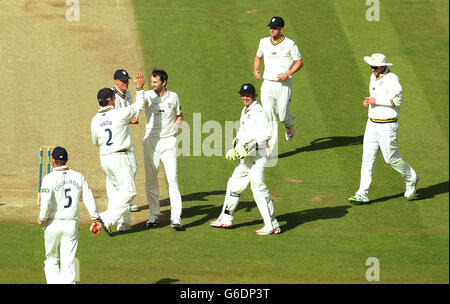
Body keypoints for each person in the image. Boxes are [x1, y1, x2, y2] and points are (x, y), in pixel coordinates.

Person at [210, 83, 281, 235]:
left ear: (254, 96)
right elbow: (242, 133)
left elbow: (266, 135)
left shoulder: (259, 112)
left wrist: (248, 148)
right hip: (245, 157)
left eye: (248, 95)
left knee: (258, 189)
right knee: (234, 184)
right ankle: (226, 219)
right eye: (243, 95)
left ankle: (271, 224)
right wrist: (233, 147)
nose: (245, 98)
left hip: (257, 156)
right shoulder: (245, 110)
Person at [348, 53, 419, 204]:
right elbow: (376, 96)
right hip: (372, 124)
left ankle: (411, 178)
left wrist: (376, 100)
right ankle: (362, 193)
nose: (372, 69)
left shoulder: (393, 80)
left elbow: (397, 101)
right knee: (367, 159)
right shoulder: (374, 76)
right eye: (371, 66)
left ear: (383, 66)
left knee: (391, 159)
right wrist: (369, 101)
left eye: (375, 67)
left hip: (388, 125)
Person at [90, 73, 146, 234]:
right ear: (110, 101)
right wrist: (140, 88)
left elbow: (95, 142)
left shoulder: (95, 120)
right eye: (113, 98)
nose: (115, 100)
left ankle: (124, 224)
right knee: (129, 191)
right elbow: (138, 107)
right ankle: (106, 218)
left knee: (117, 191)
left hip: (105, 158)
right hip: (120, 157)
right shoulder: (118, 114)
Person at [37, 146, 102, 284]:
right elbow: (89, 197)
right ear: (67, 160)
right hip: (70, 225)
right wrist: (95, 218)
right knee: (68, 262)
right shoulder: (78, 176)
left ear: (53, 161)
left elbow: (46, 202)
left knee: (51, 259)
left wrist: (42, 218)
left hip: (52, 223)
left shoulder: (49, 178)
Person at [253, 16, 304, 157]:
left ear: (281, 29)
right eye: (270, 27)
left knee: (282, 116)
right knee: (269, 117)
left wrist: (287, 74)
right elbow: (258, 57)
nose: (272, 30)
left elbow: (299, 62)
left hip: (283, 85)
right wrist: (256, 70)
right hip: (267, 84)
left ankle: (290, 125)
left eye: (275, 28)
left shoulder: (290, 44)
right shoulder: (263, 42)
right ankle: (270, 151)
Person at [142, 69, 184, 230]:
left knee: (172, 178)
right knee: (151, 179)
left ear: (163, 82)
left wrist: (176, 127)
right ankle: (153, 214)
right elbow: (136, 106)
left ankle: (176, 217)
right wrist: (139, 89)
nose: (152, 84)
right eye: (151, 82)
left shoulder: (173, 96)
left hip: (168, 142)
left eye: (155, 82)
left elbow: (180, 116)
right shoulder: (147, 96)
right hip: (151, 141)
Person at [112, 69, 140, 217]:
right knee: (121, 172)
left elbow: (130, 110)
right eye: (123, 81)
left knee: (133, 167)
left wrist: (137, 96)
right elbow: (113, 118)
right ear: (115, 81)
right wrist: (131, 120)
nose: (126, 83)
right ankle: (122, 202)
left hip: (125, 138)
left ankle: (123, 200)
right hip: (116, 140)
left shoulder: (127, 94)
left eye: (127, 80)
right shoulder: (112, 97)